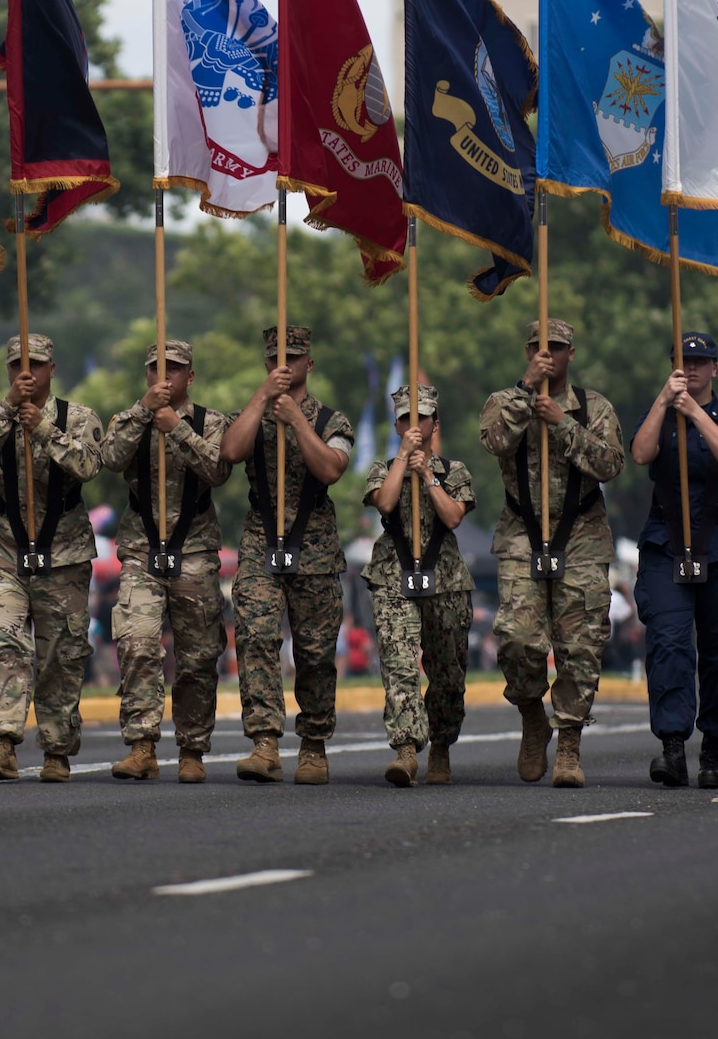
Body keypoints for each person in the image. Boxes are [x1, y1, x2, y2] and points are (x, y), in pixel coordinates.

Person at [479, 318, 625, 788]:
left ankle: (568, 745)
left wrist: (562, 425)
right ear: (527, 353)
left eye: (558, 347)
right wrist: (526, 394)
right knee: (517, 641)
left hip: (580, 535)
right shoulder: (505, 402)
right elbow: (495, 441)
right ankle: (531, 715)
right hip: (523, 533)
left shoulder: (593, 407)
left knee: (580, 650)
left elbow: (610, 464)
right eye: (540, 348)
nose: (550, 355)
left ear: (571, 354)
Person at [0, 334, 102, 782]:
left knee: (62, 651)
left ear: (52, 369)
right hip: (6, 548)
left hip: (64, 551)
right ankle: (2, 743)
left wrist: (41, 427)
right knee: (5, 641)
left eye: (37, 365)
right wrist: (7, 410)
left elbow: (89, 465)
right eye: (18, 365)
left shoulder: (78, 418)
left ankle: (57, 750)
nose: (28, 373)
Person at [219, 324, 355, 784]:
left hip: (314, 544)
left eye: (293, 358)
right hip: (261, 539)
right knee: (256, 636)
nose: (285, 365)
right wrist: (263, 399)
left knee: (315, 652)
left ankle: (314, 745)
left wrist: (296, 419)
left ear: (309, 364)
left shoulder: (331, 421)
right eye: (276, 358)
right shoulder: (249, 414)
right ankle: (264, 741)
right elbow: (231, 450)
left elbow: (331, 469)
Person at [627, 333, 718, 790]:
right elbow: (641, 454)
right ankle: (671, 747)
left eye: (702, 362)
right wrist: (665, 401)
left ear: (715, 369)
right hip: (667, 545)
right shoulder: (660, 413)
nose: (694, 368)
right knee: (669, 644)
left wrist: (695, 413)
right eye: (685, 361)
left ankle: (714, 750)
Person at [97, 339, 232, 783]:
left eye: (173, 370)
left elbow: (219, 469)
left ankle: (192, 749)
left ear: (189, 377)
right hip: (141, 548)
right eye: (155, 369)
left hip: (194, 548)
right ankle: (141, 745)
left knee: (197, 655)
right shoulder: (128, 419)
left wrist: (176, 427)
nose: (164, 378)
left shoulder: (211, 422)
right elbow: (109, 458)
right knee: (137, 642)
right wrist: (143, 413)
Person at [363, 383, 475, 787]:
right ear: (396, 424)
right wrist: (401, 462)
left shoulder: (454, 472)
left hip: (445, 581)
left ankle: (441, 745)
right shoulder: (381, 469)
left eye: (422, 417)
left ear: (435, 423)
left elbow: (453, 517)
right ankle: (406, 749)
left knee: (447, 672)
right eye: (406, 418)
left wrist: (427, 474)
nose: (415, 425)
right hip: (393, 575)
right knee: (400, 663)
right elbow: (386, 502)